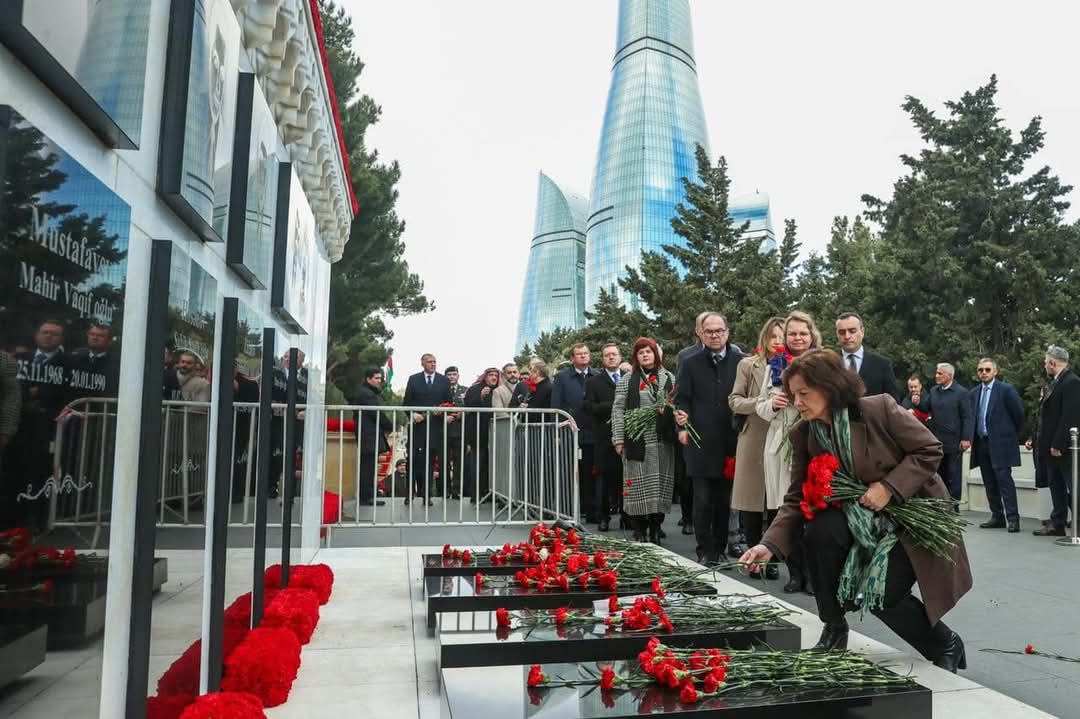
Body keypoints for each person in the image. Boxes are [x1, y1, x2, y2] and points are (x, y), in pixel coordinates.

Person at [741, 349, 972, 672]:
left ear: (830, 388)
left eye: (804, 394)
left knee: (882, 593)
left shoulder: (878, 410)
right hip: (858, 517)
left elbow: (928, 448)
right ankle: (834, 627)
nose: (797, 402)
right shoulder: (805, 434)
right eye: (793, 394)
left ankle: (945, 642)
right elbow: (796, 498)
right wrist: (769, 544)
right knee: (818, 533)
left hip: (908, 516)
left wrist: (889, 487)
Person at [756, 310, 821, 593]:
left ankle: (814, 573)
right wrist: (774, 404)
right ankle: (795, 573)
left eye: (802, 333)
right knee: (786, 509)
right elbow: (760, 406)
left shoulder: (822, 364)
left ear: (811, 335)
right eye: (792, 333)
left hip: (814, 442)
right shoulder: (773, 366)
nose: (797, 338)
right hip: (780, 442)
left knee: (812, 510)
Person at [675, 313, 743, 564]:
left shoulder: (741, 362)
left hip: (730, 441)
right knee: (702, 501)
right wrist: (681, 424)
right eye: (709, 331)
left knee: (725, 503)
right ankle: (705, 550)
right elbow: (681, 397)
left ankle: (720, 548)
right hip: (699, 441)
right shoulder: (690, 363)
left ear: (727, 332)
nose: (715, 335)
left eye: (719, 330)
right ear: (700, 334)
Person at [729, 317, 784, 579]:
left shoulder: (795, 364)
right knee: (752, 503)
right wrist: (763, 403)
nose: (778, 342)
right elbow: (735, 401)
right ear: (765, 338)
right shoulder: (748, 365)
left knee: (777, 500)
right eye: (773, 336)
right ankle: (751, 559)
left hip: (781, 436)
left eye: (782, 336)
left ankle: (771, 560)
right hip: (753, 436)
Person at [612, 337, 677, 543]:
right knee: (637, 490)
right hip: (636, 441)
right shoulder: (627, 380)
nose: (645, 355)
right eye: (641, 353)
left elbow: (677, 406)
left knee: (660, 488)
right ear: (636, 357)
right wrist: (618, 439)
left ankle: (656, 528)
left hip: (661, 443)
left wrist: (666, 411)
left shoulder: (669, 378)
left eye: (648, 351)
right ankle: (639, 530)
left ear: (655, 354)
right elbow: (618, 411)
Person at [969, 358, 1024, 532]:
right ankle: (997, 516)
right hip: (982, 443)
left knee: (1004, 481)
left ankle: (1013, 518)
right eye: (980, 370)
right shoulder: (974, 393)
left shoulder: (1006, 390)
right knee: (989, 482)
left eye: (987, 369)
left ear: (995, 371)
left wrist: (1009, 435)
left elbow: (1019, 415)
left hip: (1001, 443)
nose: (983, 373)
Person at [1032, 345, 1080, 537]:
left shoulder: (1072, 382)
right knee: (1056, 485)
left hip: (1064, 447)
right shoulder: (1055, 383)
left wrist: (1059, 443)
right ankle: (1057, 522)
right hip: (1049, 446)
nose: (1044, 366)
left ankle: (1077, 523)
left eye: (1045, 362)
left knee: (1073, 485)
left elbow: (1070, 416)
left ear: (1052, 362)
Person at [552, 343, 601, 523]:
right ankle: (570, 510)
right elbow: (556, 406)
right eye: (579, 354)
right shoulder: (562, 378)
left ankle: (592, 510)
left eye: (586, 353)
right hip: (570, 433)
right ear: (572, 358)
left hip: (593, 432)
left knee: (592, 473)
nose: (583, 356)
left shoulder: (598, 375)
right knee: (571, 472)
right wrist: (557, 430)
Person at [916, 363, 973, 501]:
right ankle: (940, 506)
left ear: (949, 375)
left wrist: (966, 438)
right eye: (937, 373)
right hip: (936, 442)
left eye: (940, 373)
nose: (936, 376)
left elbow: (968, 417)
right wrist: (918, 402)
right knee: (938, 477)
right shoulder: (934, 390)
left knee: (953, 476)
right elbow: (926, 408)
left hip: (954, 443)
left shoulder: (962, 393)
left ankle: (954, 508)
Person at [584, 343, 624, 531]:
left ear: (620, 357)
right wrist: (615, 404)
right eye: (607, 355)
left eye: (614, 354)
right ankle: (604, 517)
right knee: (605, 479)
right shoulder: (594, 382)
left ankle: (629, 517)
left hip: (628, 436)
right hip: (604, 437)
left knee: (627, 478)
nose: (611, 357)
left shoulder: (629, 379)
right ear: (602, 359)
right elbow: (590, 407)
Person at [403, 353, 452, 505]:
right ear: (422, 363)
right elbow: (406, 404)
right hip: (417, 427)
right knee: (413, 460)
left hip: (435, 427)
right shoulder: (413, 379)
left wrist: (443, 412)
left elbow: (448, 403)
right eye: (429, 362)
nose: (433, 364)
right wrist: (413, 414)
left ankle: (427, 496)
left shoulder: (443, 381)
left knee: (430, 462)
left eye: (434, 362)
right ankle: (409, 493)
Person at [835, 312, 898, 399]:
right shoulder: (829, 364)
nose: (847, 336)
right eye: (842, 332)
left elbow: (893, 403)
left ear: (862, 332)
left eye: (852, 331)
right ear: (837, 334)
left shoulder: (882, 364)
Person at [355, 367, 391, 506]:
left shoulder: (369, 392)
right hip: (368, 435)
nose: (379, 381)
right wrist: (389, 425)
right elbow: (376, 414)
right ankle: (366, 497)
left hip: (369, 434)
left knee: (369, 466)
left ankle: (368, 496)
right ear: (368, 379)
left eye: (380, 378)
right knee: (367, 467)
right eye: (376, 378)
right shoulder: (367, 394)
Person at [463, 368, 500, 503]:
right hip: (477, 434)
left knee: (492, 466)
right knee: (477, 465)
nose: (494, 378)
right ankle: (476, 495)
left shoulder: (499, 389)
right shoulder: (475, 389)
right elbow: (468, 405)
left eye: (496, 375)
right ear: (485, 377)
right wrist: (481, 397)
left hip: (496, 434)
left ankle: (491, 493)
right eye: (491, 375)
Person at [445, 366, 468, 499]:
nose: (452, 377)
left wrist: (455, 416)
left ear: (458, 376)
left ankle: (456, 489)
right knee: (444, 462)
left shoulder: (465, 390)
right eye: (449, 375)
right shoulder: (441, 390)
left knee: (459, 463)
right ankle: (445, 489)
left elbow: (468, 408)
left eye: (454, 374)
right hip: (444, 431)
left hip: (460, 432)